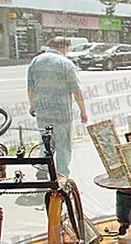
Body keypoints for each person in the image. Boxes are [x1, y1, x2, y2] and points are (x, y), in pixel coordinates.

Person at [27, 37, 88, 178]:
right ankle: (62, 174)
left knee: (45, 141)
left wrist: (32, 105)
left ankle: (42, 168)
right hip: (62, 114)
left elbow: (31, 87)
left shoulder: (35, 61)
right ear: (63, 47)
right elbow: (77, 90)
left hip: (42, 113)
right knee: (63, 144)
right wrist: (83, 111)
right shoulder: (66, 64)